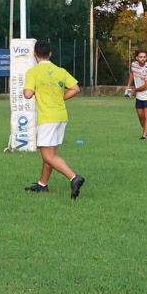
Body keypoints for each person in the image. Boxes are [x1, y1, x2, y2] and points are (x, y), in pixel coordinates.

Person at [23, 39, 85, 199]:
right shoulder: (60, 70)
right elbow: (75, 88)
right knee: (50, 151)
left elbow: (27, 94)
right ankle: (42, 185)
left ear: (34, 54)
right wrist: (61, 98)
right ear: (50, 54)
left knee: (47, 156)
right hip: (61, 116)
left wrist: (36, 90)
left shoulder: (33, 72)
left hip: (47, 118)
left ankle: (73, 177)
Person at [125, 49, 147, 139]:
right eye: (141, 57)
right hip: (140, 94)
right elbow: (132, 73)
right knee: (140, 116)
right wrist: (128, 86)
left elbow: (146, 86)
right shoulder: (134, 65)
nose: (143, 59)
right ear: (137, 58)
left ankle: (144, 135)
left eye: (144, 57)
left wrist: (134, 90)